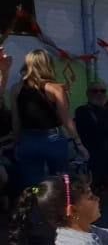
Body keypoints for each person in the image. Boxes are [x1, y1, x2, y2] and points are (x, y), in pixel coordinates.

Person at [10, 50, 86, 188]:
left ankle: (34, 208)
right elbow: (66, 119)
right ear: (47, 65)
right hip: (53, 138)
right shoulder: (55, 89)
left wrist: (16, 142)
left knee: (32, 185)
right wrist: (78, 143)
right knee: (60, 182)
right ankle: (57, 207)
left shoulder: (16, 89)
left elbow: (16, 121)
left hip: (28, 138)